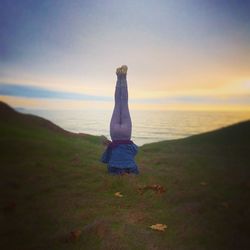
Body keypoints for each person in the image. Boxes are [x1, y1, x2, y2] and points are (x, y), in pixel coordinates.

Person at [100, 65, 139, 175]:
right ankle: (119, 77)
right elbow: (105, 158)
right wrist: (109, 145)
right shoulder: (113, 157)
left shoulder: (131, 164)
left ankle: (123, 76)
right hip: (115, 133)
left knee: (123, 103)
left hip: (126, 133)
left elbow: (136, 150)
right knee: (118, 103)